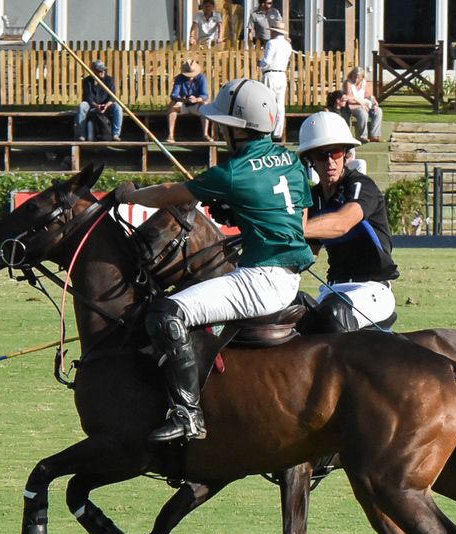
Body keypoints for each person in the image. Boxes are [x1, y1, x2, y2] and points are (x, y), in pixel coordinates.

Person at [117, 78, 313, 442]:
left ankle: (187, 413)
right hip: (290, 276)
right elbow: (297, 223)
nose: (219, 130)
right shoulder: (291, 161)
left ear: (239, 130)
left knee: (167, 313)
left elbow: (169, 194)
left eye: (224, 125)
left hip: (261, 281)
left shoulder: (233, 172)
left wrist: (130, 194)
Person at [296, 110, 400, 332]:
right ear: (310, 161)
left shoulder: (362, 186)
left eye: (335, 152)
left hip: (372, 290)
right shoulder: (313, 199)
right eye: (321, 155)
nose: (330, 161)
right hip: (332, 290)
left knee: (334, 315)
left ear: (345, 154)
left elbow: (342, 222)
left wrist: (293, 228)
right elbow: (306, 255)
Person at [75, 60, 121, 141]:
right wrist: (96, 106)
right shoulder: (87, 81)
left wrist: (106, 105)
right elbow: (88, 97)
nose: (102, 72)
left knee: (118, 108)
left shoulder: (109, 80)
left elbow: (112, 97)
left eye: (103, 70)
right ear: (93, 71)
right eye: (99, 70)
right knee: (82, 106)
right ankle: (81, 134)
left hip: (107, 105)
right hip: (92, 104)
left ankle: (116, 134)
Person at [259, 25, 293, 135]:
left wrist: (260, 64)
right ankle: (278, 132)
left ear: (274, 32)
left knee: (268, 102)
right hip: (282, 75)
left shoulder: (271, 43)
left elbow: (267, 61)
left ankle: (267, 130)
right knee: (280, 105)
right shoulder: (288, 45)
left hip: (271, 74)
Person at [166, 60, 210, 143]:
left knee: (206, 104)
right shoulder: (179, 78)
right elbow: (174, 94)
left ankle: (205, 134)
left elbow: (205, 95)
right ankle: (171, 135)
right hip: (183, 104)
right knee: (172, 106)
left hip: (197, 106)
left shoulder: (202, 78)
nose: (190, 77)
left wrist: (196, 99)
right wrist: (182, 99)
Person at [340, 66, 382, 142]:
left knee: (378, 111)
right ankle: (362, 136)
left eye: (358, 77)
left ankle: (374, 135)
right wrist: (362, 105)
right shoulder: (348, 83)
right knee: (363, 113)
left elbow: (368, 95)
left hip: (364, 105)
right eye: (354, 76)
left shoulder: (364, 83)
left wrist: (374, 101)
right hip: (352, 106)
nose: (355, 79)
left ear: (362, 77)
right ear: (352, 75)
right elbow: (350, 99)